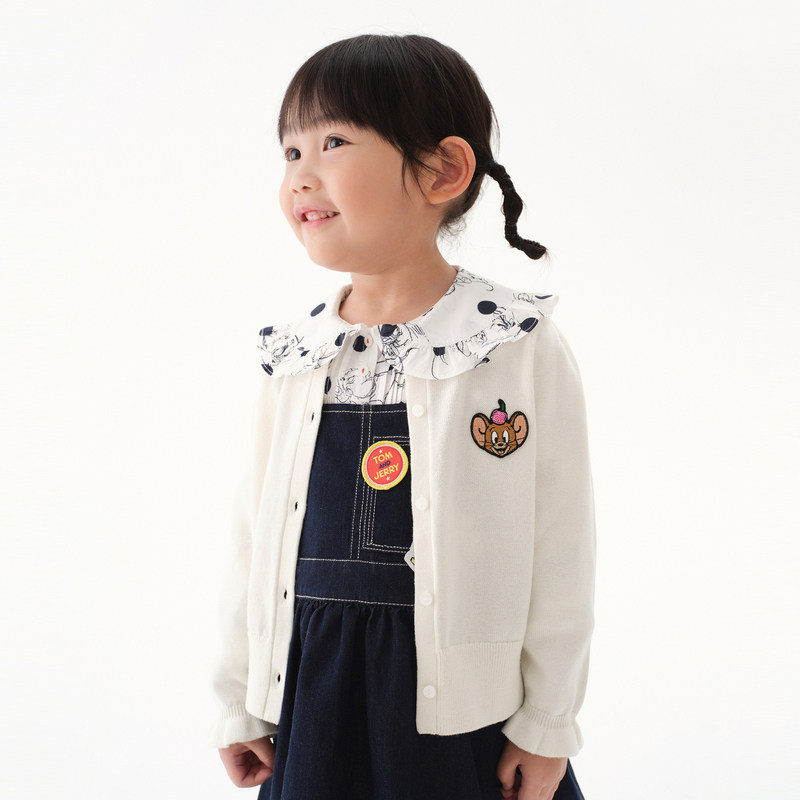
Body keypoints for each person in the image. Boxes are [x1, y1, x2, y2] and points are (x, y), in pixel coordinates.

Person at [211, 33, 596, 800]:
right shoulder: (296, 357)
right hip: (315, 695)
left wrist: (547, 722)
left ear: (442, 170)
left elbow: (561, 547)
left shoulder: (511, 345)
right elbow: (253, 541)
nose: (301, 174)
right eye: (290, 152)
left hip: (457, 716)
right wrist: (238, 698)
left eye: (332, 142)